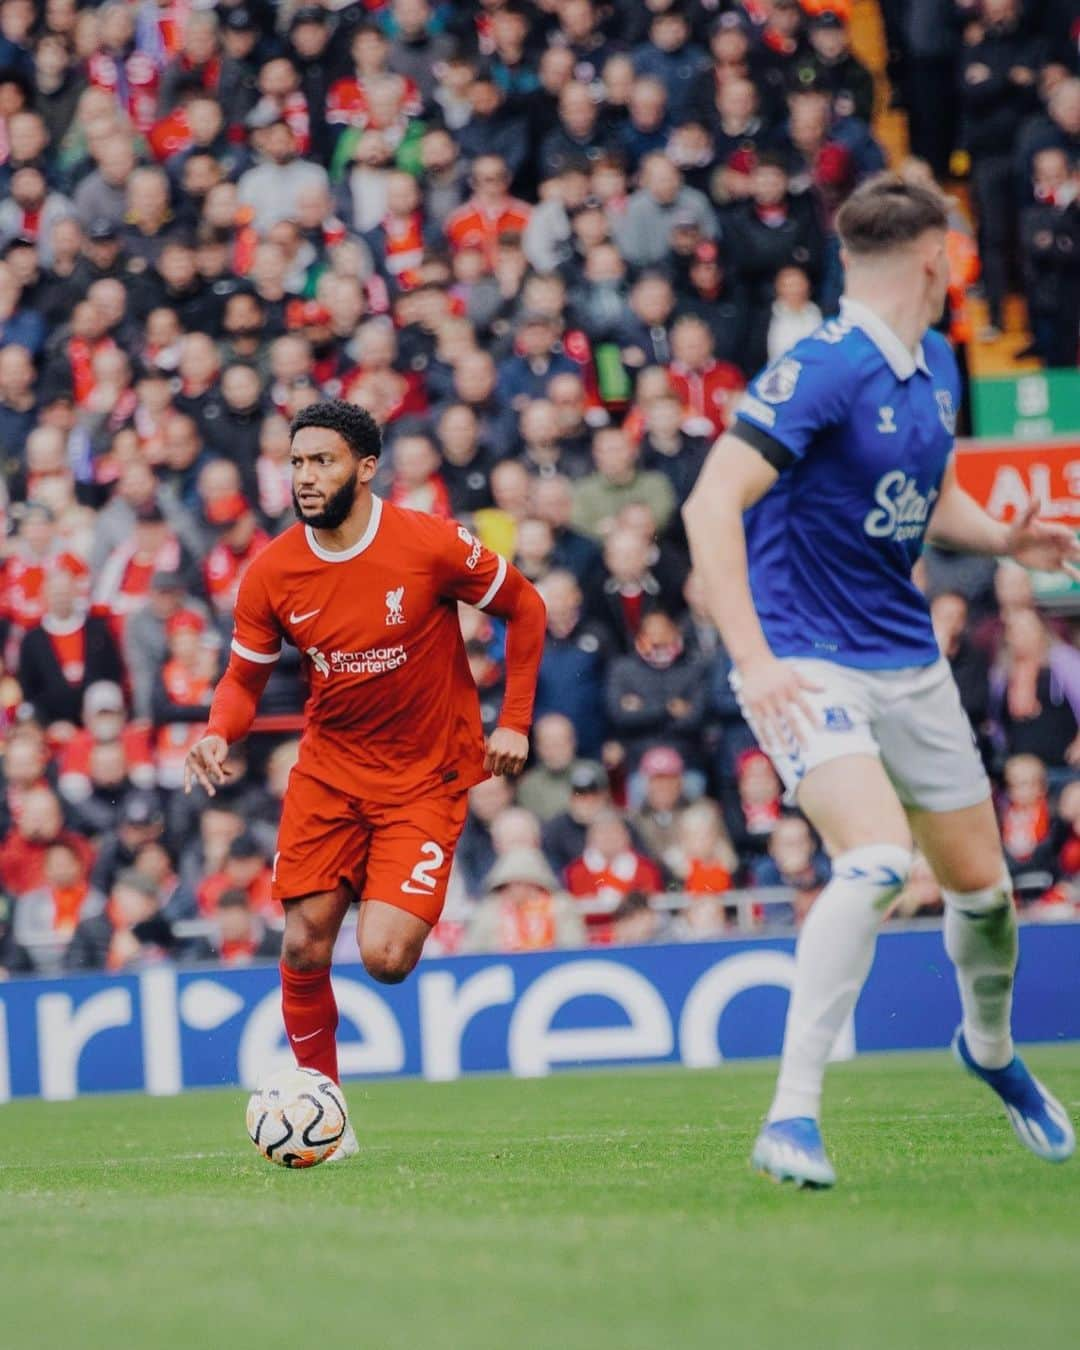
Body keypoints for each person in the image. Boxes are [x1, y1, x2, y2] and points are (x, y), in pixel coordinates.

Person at [683, 174, 1080, 1188]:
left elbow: (928, 491)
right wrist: (755, 659)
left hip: (908, 661)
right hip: (807, 659)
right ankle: (792, 1119)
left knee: (985, 897)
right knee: (872, 860)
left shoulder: (937, 362)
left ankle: (986, 1051)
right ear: (934, 260)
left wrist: (1003, 536)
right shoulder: (819, 368)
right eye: (955, 255)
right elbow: (709, 504)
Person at [184, 400, 545, 1162]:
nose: (306, 477)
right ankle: (328, 1114)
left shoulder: (429, 543)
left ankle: (325, 1100)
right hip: (330, 771)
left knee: (386, 958)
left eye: (323, 461)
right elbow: (243, 681)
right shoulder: (275, 571)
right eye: (297, 462)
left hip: (425, 775)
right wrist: (219, 731)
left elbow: (527, 606)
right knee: (306, 942)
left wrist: (512, 719)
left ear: (366, 467)